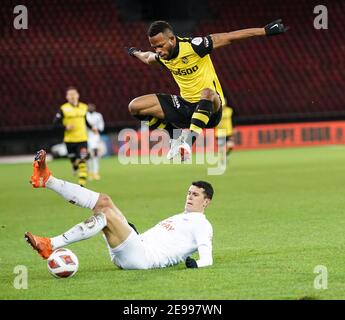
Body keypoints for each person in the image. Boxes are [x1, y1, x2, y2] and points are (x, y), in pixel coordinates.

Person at [127, 19, 288, 161]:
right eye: (155, 47)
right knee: (135, 106)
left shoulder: (194, 46)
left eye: (160, 46)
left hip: (211, 109)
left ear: (172, 39)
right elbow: (148, 58)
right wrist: (135, 52)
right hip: (186, 107)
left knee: (207, 92)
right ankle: (174, 137)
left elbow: (229, 36)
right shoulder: (163, 57)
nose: (158, 51)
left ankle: (188, 143)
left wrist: (265, 31)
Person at [25, 150, 214, 269]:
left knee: (106, 214)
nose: (189, 197)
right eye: (189, 193)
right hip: (136, 246)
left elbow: (207, 258)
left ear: (207, 202)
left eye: (195, 195)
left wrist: (196, 264)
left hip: (143, 259)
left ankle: (50, 244)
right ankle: (47, 180)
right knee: (104, 201)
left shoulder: (202, 225)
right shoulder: (182, 217)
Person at [53, 87, 90, 186]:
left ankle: (81, 185)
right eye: (70, 94)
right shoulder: (63, 108)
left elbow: (86, 121)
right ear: (67, 97)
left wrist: (92, 127)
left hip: (82, 139)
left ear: (78, 95)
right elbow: (55, 123)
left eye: (74, 94)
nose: (72, 96)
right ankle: (74, 166)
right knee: (74, 161)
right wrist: (65, 126)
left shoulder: (84, 107)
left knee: (82, 161)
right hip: (69, 140)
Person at [86, 103, 105, 181]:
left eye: (92, 107)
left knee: (95, 155)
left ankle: (96, 172)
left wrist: (97, 129)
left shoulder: (98, 115)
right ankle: (90, 173)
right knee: (87, 156)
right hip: (86, 137)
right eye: (89, 107)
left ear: (94, 108)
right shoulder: (85, 115)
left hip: (95, 137)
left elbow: (101, 126)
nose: (91, 108)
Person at [215, 95, 235, 166]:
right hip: (219, 133)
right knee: (221, 148)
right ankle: (222, 159)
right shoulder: (216, 112)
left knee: (231, 146)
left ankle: (225, 156)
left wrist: (234, 128)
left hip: (228, 132)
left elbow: (233, 120)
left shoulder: (229, 110)